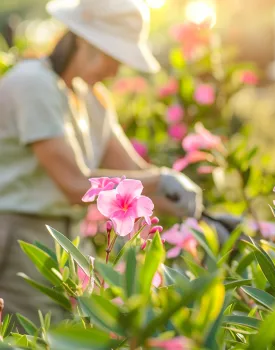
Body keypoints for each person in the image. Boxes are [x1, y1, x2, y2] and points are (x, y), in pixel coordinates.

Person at [0, 0, 205, 324]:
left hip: (70, 240)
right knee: (41, 336)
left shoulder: (91, 98)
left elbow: (136, 173)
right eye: (113, 55)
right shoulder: (33, 84)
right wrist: (163, 180)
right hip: (22, 237)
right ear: (83, 39)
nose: (116, 69)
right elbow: (74, 184)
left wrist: (206, 220)